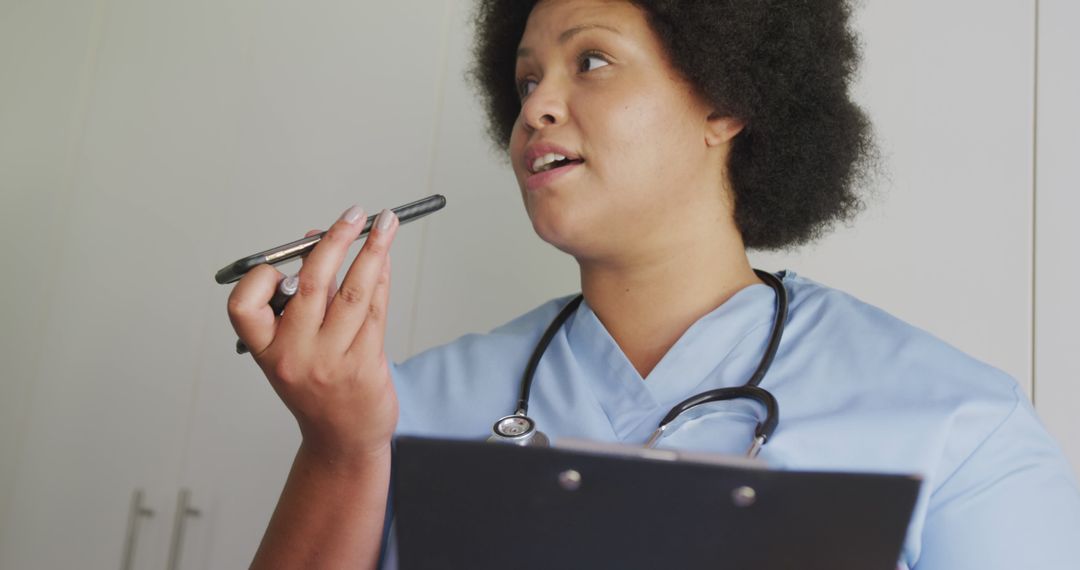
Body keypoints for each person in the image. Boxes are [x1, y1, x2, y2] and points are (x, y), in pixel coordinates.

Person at [226, 0, 1080, 568]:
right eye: (526, 80)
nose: (535, 109)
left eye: (589, 61)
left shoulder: (958, 428)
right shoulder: (388, 410)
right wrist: (338, 451)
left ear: (725, 99)